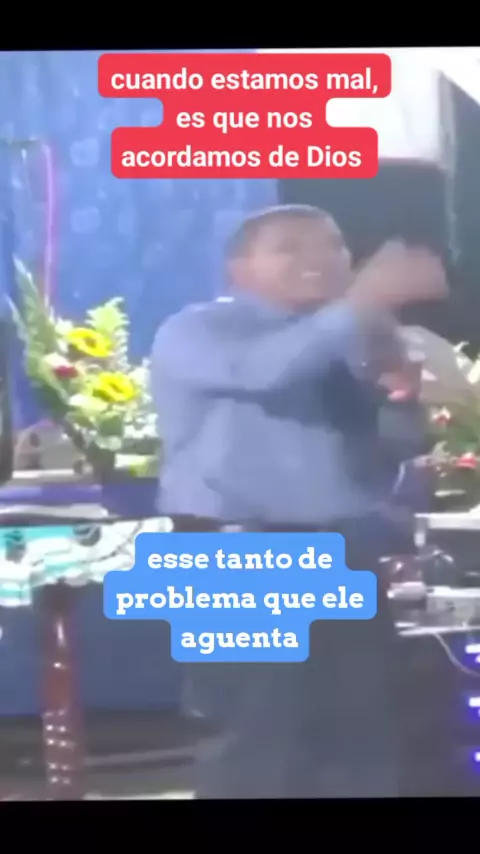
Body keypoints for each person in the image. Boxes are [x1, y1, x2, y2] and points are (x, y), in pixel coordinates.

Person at [151, 204, 448, 798]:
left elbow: (388, 455)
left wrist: (399, 398)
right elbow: (264, 372)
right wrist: (358, 305)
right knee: (259, 740)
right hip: (240, 554)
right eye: (290, 247)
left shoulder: (352, 340)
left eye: (332, 245)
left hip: (345, 550)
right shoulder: (202, 329)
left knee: (361, 734)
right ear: (238, 267)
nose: (319, 259)